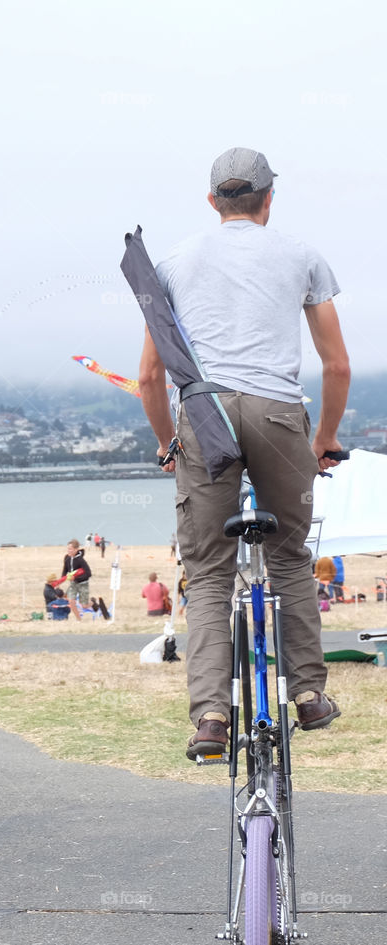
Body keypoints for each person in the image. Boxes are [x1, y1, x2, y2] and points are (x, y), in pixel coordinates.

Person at [138, 146, 350, 759]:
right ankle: (309, 695)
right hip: (280, 413)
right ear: (268, 199)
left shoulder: (175, 262)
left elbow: (151, 377)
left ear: (212, 202)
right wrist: (324, 439)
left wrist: (165, 442)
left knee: (208, 572)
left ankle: (209, 716)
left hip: (205, 416)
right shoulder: (302, 255)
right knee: (287, 561)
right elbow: (336, 364)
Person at [61, 539, 92, 621]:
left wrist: (76, 578)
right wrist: (61, 580)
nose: (69, 551)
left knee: (84, 605)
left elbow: (88, 574)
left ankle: (93, 603)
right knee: (71, 601)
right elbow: (65, 570)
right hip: (73, 584)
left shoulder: (80, 560)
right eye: (68, 549)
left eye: (70, 549)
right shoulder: (67, 557)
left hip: (83, 583)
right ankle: (79, 620)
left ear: (76, 549)